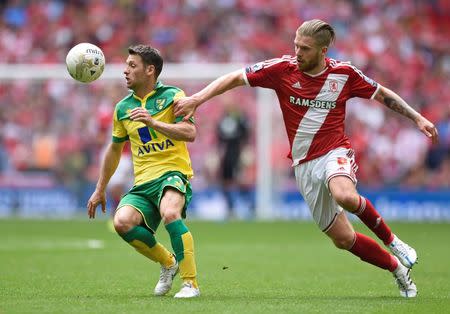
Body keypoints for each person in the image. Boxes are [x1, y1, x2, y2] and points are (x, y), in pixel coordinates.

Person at [173, 19, 439, 298]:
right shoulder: (281, 70)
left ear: (323, 51)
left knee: (345, 195)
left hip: (334, 151)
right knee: (343, 239)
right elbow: (235, 77)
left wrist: (417, 117)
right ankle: (397, 269)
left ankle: (393, 241)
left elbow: (382, 94)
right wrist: (197, 99)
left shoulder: (344, 74)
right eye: (296, 45)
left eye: (306, 48)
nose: (297, 52)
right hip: (303, 165)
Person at [87, 44, 200, 298]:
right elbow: (114, 150)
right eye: (126, 65)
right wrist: (100, 189)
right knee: (122, 222)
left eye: (132, 65)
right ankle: (168, 263)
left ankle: (190, 283)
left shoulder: (174, 95)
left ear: (150, 70)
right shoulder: (122, 108)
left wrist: (153, 122)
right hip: (143, 182)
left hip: (173, 172)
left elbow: (190, 133)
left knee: (171, 213)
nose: (125, 71)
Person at [216, 103, 251, 218]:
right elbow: (219, 138)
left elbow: (246, 135)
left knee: (239, 179)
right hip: (227, 155)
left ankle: (249, 205)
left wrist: (245, 149)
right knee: (227, 180)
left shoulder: (240, 120)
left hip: (237, 154)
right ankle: (231, 207)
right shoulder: (223, 121)